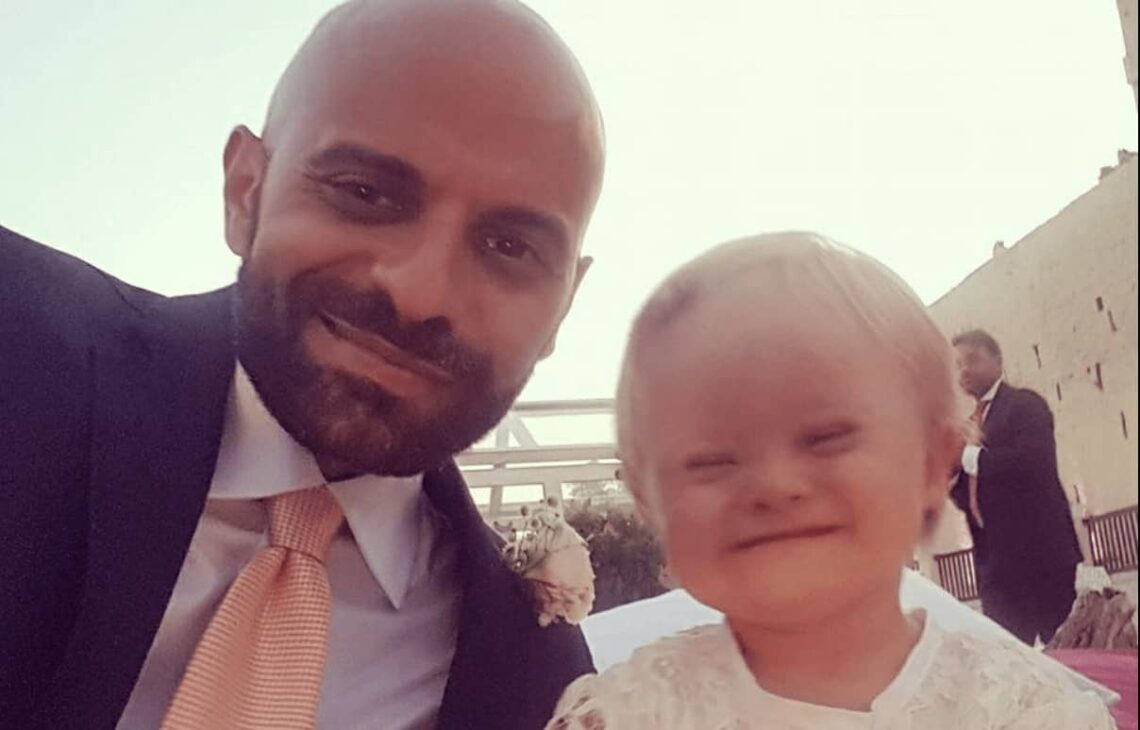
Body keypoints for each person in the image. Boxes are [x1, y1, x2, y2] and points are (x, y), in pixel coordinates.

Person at [0, 0, 605, 728]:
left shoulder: (539, 679)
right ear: (245, 193)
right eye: (364, 193)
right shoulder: (20, 345)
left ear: (563, 309)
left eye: (511, 247)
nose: (420, 292)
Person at [547, 232, 1115, 729]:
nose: (775, 484)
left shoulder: (1027, 709)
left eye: (826, 438)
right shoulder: (625, 714)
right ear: (649, 502)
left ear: (930, 463)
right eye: (712, 460)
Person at [950, 330, 1084, 646]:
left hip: (1041, 558)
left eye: (972, 360)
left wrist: (969, 457)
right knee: (1011, 660)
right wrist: (951, 477)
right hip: (997, 567)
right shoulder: (971, 425)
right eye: (958, 365)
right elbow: (974, 494)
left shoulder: (1024, 405)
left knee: (1065, 654)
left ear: (997, 361)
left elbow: (1034, 462)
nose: (964, 370)